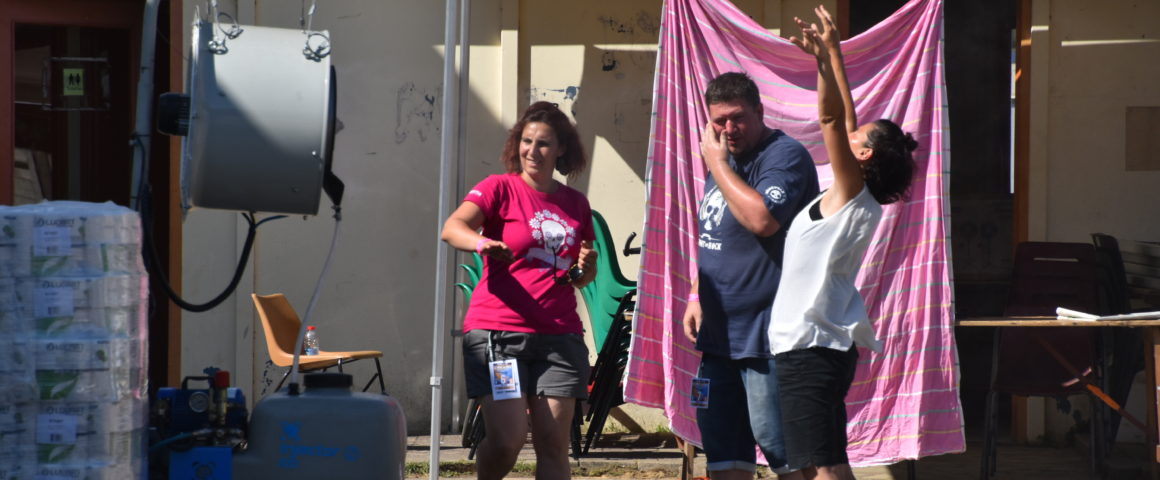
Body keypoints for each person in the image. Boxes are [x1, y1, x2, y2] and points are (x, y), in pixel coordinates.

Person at [768, 7, 918, 480]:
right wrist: (832, 53)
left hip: (811, 348)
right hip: (813, 348)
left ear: (865, 153)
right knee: (819, 464)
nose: (850, 133)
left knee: (822, 468)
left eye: (859, 137)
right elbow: (846, 118)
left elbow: (833, 118)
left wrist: (821, 63)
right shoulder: (851, 193)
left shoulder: (852, 194)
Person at [440, 101, 598, 480]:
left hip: (559, 338)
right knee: (508, 439)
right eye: (526, 141)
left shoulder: (576, 203)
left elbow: (579, 274)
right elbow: (453, 228)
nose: (532, 151)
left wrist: (586, 269)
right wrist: (483, 244)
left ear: (561, 149)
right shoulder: (499, 188)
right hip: (500, 336)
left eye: (543, 143)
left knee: (553, 444)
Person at [682, 71, 820, 480]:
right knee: (724, 457)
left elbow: (762, 220)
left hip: (768, 342)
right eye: (719, 121)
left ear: (759, 111)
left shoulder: (784, 156)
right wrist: (696, 293)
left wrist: (717, 163)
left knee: (786, 455)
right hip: (719, 340)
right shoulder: (724, 161)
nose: (728, 129)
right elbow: (719, 236)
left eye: (738, 117)